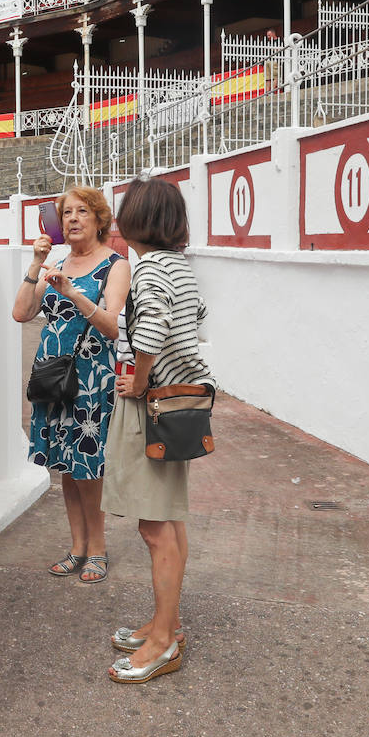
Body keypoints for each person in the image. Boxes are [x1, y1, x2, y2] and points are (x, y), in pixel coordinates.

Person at [102, 177, 215, 684]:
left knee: (153, 526)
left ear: (136, 221)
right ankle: (165, 623)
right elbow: (195, 318)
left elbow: (149, 332)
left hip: (152, 404)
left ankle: (164, 641)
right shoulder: (180, 267)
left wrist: (138, 381)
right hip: (181, 403)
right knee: (171, 518)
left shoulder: (148, 270)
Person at [12, 186, 131, 584]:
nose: (73, 219)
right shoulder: (57, 262)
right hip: (53, 375)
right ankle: (77, 546)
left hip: (91, 377)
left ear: (100, 220)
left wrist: (74, 294)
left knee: (88, 465)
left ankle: (97, 548)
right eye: (66, 213)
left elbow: (113, 326)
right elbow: (21, 312)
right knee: (64, 463)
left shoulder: (116, 265)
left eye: (82, 212)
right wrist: (36, 262)